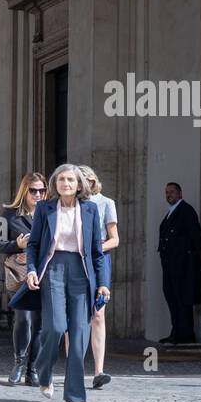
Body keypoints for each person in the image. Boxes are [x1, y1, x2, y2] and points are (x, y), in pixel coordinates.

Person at [20, 165, 111, 402]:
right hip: (53, 270)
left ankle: (74, 393)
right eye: (61, 179)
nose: (65, 183)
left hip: (82, 273)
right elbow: (34, 244)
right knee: (56, 327)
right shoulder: (44, 208)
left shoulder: (91, 210)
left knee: (80, 333)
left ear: (79, 185)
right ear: (55, 184)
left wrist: (103, 283)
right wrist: (31, 270)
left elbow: (97, 252)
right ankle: (44, 370)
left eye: (70, 179)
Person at [0, 173, 46, 385]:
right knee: (23, 319)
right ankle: (19, 362)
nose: (37, 194)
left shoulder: (51, 213)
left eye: (41, 191)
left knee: (41, 323)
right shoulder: (8, 214)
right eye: (33, 190)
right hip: (20, 275)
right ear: (24, 191)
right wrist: (17, 244)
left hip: (45, 273)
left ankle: (33, 369)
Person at [77, 167, 119, 389]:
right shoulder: (72, 204)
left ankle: (99, 370)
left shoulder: (106, 203)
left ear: (92, 181)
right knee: (73, 315)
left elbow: (115, 239)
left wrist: (95, 249)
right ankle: (74, 368)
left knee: (98, 314)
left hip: (98, 261)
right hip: (75, 261)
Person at [158, 182, 201, 344]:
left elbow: (197, 238)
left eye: (171, 192)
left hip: (183, 266)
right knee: (172, 298)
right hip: (171, 265)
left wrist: (190, 261)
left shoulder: (186, 210)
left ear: (180, 193)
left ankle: (185, 334)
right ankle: (176, 332)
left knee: (182, 299)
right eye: (166, 192)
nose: (168, 194)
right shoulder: (172, 212)